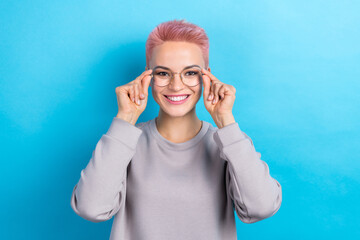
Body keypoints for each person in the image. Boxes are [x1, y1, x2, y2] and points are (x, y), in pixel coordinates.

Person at [70, 19, 282, 240]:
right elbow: (90, 208)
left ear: (206, 76)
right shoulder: (124, 142)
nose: (176, 85)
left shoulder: (229, 143)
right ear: (148, 76)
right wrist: (125, 118)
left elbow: (262, 207)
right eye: (163, 73)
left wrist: (225, 121)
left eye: (190, 73)